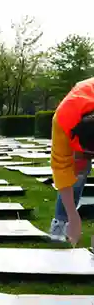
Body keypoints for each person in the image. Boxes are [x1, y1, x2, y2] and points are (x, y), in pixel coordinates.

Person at [49, 77, 94, 245]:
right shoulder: (63, 120)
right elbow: (61, 169)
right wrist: (73, 216)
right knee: (77, 172)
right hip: (78, 112)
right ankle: (61, 222)